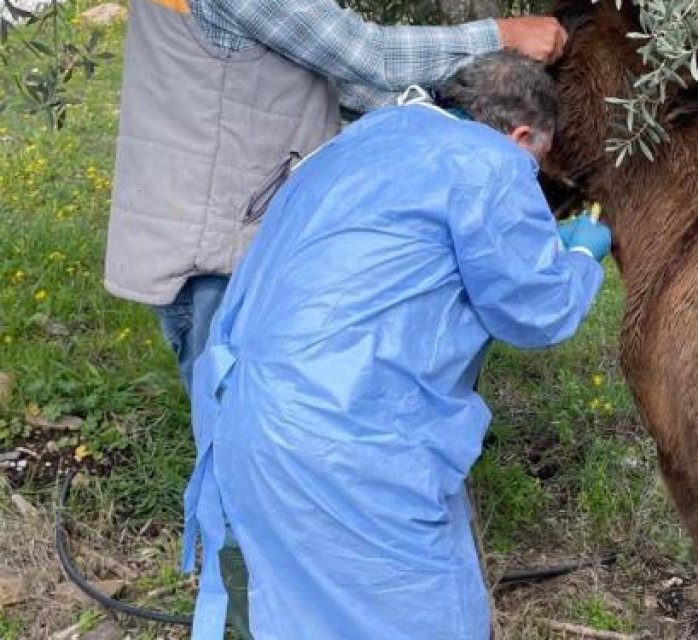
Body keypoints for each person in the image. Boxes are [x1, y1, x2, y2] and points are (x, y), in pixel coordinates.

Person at [181, 51, 612, 639]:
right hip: (346, 438)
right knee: (422, 616)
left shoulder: (362, 139)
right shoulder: (488, 162)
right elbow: (536, 311)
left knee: (306, 616)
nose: (530, 179)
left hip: (242, 418)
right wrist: (581, 256)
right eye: (534, 164)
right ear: (519, 135)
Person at [105, 0, 568, 393]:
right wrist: (501, 35)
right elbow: (366, 54)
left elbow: (321, 75)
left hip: (234, 226)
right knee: (242, 418)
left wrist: (446, 123)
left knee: (272, 407)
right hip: (217, 246)